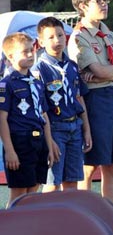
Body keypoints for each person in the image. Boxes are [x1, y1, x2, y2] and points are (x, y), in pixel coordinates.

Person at [67, 0, 113, 203]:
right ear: (83, 6)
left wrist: (108, 73)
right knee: (90, 163)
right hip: (93, 100)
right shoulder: (79, 36)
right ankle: (87, 214)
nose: (104, 5)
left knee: (111, 163)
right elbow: (98, 70)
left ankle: (110, 213)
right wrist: (109, 73)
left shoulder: (109, 34)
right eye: (98, 1)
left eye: (105, 0)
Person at [34, 17, 92, 192]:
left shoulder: (72, 66)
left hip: (75, 127)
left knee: (72, 182)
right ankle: (48, 219)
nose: (57, 40)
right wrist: (49, 139)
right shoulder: (39, 69)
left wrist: (86, 130)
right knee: (52, 182)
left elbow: (79, 98)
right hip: (54, 129)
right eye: (50, 37)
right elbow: (39, 109)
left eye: (60, 35)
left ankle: (68, 218)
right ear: (41, 42)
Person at [0, 33, 58, 206]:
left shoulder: (36, 83)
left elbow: (44, 115)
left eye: (31, 50)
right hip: (20, 142)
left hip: (38, 141)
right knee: (19, 194)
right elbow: (2, 119)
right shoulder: (7, 84)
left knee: (33, 190)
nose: (31, 54)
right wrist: (10, 150)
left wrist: (48, 144)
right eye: (24, 52)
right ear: (10, 56)